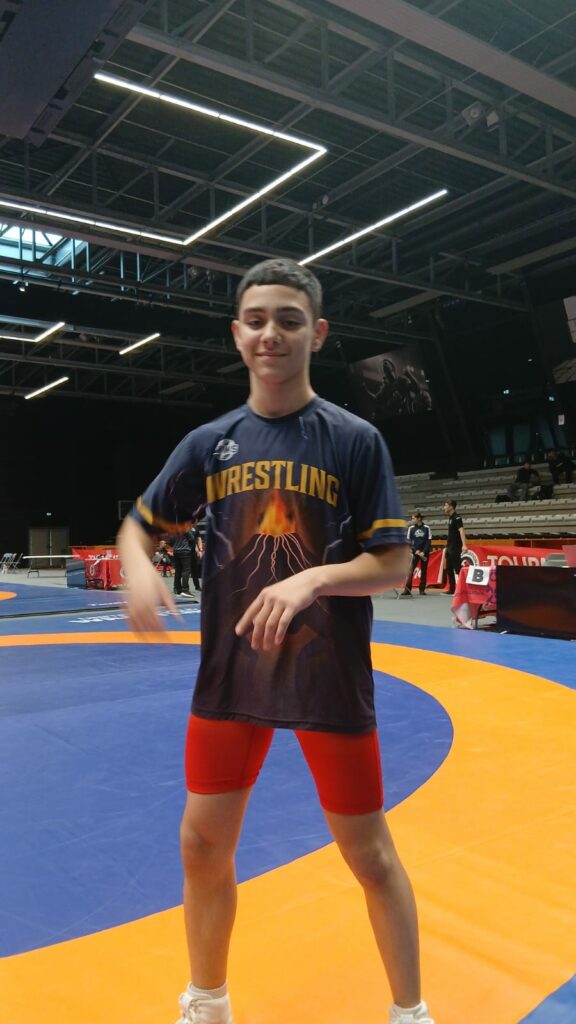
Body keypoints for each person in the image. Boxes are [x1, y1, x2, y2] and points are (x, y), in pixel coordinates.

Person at [118, 258, 435, 1024]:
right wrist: (137, 565)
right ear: (237, 334)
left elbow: (394, 564)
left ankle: (411, 1012)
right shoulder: (210, 443)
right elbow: (138, 525)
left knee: (369, 853)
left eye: (289, 320)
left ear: (316, 333)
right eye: (257, 320)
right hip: (233, 675)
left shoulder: (354, 440)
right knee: (201, 845)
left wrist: (312, 580)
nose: (271, 334)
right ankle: (208, 1001)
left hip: (327, 675)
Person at [399, 512, 432, 596]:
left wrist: (423, 552)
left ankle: (422, 589)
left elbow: (428, 542)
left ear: (419, 518)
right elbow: (409, 541)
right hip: (415, 553)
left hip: (424, 553)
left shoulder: (427, 528)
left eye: (413, 518)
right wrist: (415, 550)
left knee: (424, 571)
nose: (412, 520)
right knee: (410, 571)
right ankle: (407, 589)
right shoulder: (411, 528)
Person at [442, 499, 468, 595]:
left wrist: (464, 545)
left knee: (458, 569)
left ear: (451, 506)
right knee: (449, 569)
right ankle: (452, 589)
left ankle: (463, 590)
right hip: (449, 547)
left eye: (445, 505)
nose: (444, 507)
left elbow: (461, 531)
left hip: (456, 548)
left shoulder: (457, 518)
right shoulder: (450, 518)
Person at [172, 527, 200, 598]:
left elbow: (171, 541)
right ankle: (185, 590)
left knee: (178, 571)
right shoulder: (185, 528)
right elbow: (192, 539)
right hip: (185, 551)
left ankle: (178, 590)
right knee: (186, 570)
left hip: (176, 551)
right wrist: (190, 548)